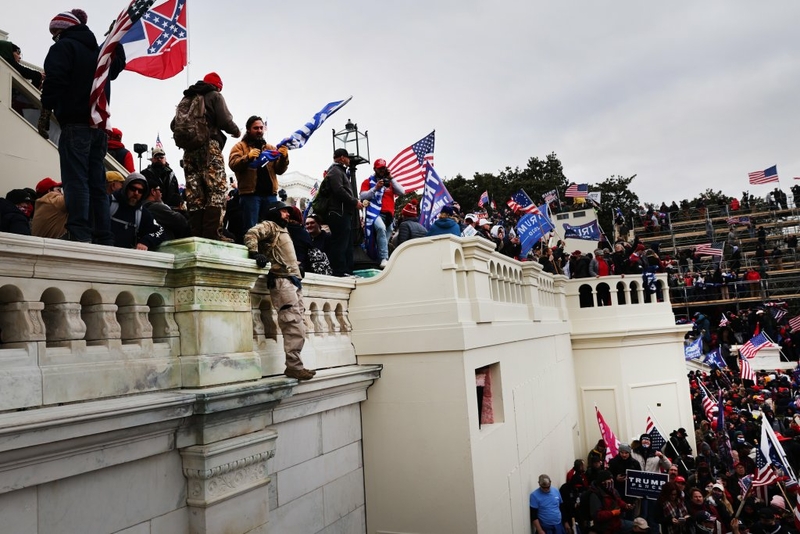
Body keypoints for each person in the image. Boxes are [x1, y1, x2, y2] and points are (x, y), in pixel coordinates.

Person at [41, 8, 126, 245]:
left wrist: (47, 104)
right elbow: (118, 66)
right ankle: (103, 235)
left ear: (64, 29)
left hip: (75, 124)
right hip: (98, 129)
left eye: (55, 31)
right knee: (97, 183)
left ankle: (79, 231)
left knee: (75, 180)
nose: (53, 36)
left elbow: (55, 80)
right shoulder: (99, 52)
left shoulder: (63, 48)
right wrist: (115, 40)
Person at [244, 201, 317, 381]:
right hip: (282, 281)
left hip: (292, 280)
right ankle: (294, 367)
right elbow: (251, 234)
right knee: (292, 324)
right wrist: (254, 253)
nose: (287, 215)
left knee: (298, 324)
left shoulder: (282, 230)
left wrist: (297, 270)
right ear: (274, 213)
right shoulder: (270, 226)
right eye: (283, 212)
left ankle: (296, 365)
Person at [173, 72, 240, 241]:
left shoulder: (186, 99)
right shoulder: (214, 96)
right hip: (209, 147)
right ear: (218, 86)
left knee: (195, 193)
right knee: (216, 189)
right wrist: (236, 131)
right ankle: (212, 234)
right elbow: (225, 120)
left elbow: (173, 124)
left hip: (189, 151)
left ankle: (196, 234)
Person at [228, 115, 289, 231]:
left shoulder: (270, 148)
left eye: (261, 128)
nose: (259, 131)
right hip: (250, 195)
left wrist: (284, 158)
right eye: (256, 128)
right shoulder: (239, 147)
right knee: (251, 229)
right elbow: (233, 164)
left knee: (271, 229)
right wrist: (248, 158)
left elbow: (280, 170)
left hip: (270, 196)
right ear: (248, 130)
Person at [359, 158, 404, 267]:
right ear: (374, 169)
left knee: (383, 240)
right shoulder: (368, 181)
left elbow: (402, 192)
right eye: (379, 169)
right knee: (381, 228)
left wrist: (391, 178)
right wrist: (375, 188)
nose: (382, 171)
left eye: (384, 168)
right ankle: (384, 258)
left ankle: (378, 261)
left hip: (389, 215)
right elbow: (362, 196)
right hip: (375, 213)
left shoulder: (389, 182)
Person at [325, 148, 362, 277]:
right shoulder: (335, 170)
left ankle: (346, 270)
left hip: (343, 212)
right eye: (348, 158)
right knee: (340, 243)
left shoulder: (339, 171)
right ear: (342, 158)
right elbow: (338, 190)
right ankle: (339, 271)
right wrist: (354, 201)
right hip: (338, 212)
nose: (349, 161)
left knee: (346, 243)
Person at [109, 173, 165, 251]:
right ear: (126, 188)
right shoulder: (109, 202)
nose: (136, 193)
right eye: (133, 189)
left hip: (125, 257)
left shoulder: (142, 213)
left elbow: (160, 231)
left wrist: (146, 241)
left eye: (140, 191)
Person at [142, 177, 189, 241]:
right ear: (153, 191)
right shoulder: (156, 207)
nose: (161, 193)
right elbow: (181, 221)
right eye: (159, 190)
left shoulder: (142, 207)